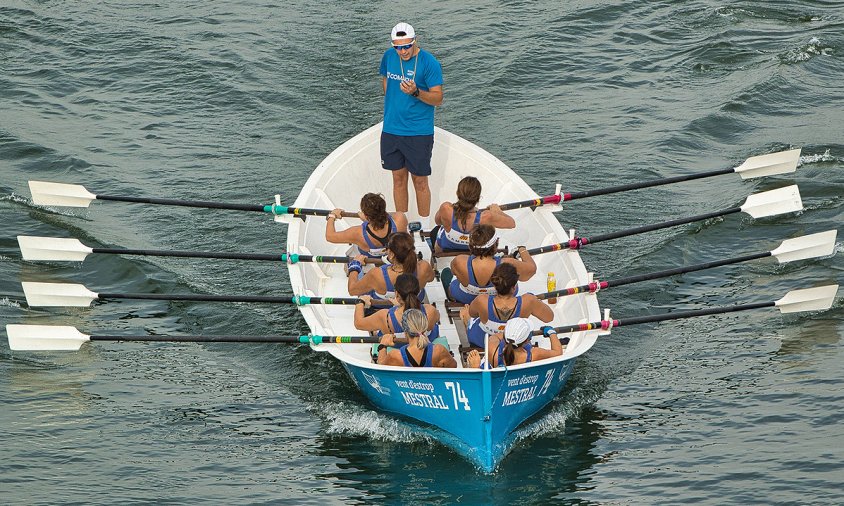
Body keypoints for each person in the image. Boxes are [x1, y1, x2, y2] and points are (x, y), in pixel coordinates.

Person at [379, 22, 443, 230]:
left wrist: (416, 92)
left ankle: (423, 228)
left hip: (418, 132)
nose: (403, 51)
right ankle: (401, 226)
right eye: (398, 47)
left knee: (420, 181)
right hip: (391, 129)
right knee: (398, 179)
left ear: (415, 41)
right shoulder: (389, 57)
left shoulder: (429, 62)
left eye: (406, 46)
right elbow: (386, 83)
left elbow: (438, 98)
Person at [461, 262, 553, 348]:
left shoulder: (482, 300)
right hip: (515, 342)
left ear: (494, 284)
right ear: (514, 287)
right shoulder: (529, 301)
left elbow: (472, 313)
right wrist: (535, 301)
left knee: (468, 313)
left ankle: (466, 322)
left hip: (483, 341)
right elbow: (549, 318)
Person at [447, 224, 537, 304]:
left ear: (470, 245)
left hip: (466, 298)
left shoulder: (459, 261)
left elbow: (453, 272)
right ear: (496, 243)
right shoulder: (508, 263)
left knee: (450, 275)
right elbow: (531, 270)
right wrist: (522, 249)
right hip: (496, 299)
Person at [433, 176, 515, 252]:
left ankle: (436, 261)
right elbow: (512, 223)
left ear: (458, 193)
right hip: (472, 249)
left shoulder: (446, 208)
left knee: (435, 231)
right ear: (478, 198)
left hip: (445, 247)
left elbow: (438, 222)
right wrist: (498, 211)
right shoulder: (486, 216)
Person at [347, 232, 435, 301]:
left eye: (387, 247)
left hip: (384, 308)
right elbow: (431, 279)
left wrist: (355, 266)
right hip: (416, 301)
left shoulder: (376, 274)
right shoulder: (424, 267)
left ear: (392, 254)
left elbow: (352, 291)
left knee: (356, 271)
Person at [326, 193, 408, 260]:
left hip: (370, 259)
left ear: (366, 216)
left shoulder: (357, 234)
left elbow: (330, 236)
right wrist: (368, 218)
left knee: (354, 248)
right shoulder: (400, 219)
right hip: (395, 253)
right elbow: (384, 216)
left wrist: (332, 216)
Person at [466, 318, 567, 369]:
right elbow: (558, 352)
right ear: (527, 340)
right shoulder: (535, 354)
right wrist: (551, 332)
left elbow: (497, 336)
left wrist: (509, 334)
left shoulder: (492, 346)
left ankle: (476, 369)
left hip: (494, 374)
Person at [377, 308, 456, 368]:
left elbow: (380, 369)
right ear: (424, 327)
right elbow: (453, 367)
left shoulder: (395, 356)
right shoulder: (439, 351)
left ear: (405, 330)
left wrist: (382, 346)